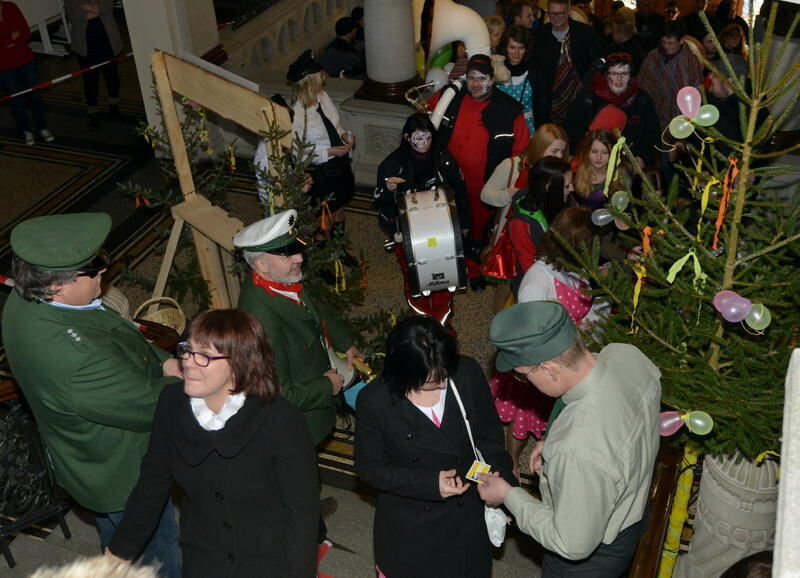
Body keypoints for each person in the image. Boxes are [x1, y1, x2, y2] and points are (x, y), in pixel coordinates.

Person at [1, 213, 180, 577]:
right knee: (155, 553)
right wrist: (188, 375)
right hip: (121, 469)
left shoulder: (28, 299)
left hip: (90, 457)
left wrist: (162, 362)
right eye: (94, 270)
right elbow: (151, 404)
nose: (104, 272)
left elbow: (111, 328)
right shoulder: (76, 359)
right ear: (55, 284)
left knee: (118, 540)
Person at [105, 310, 320, 576]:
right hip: (204, 560)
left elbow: (302, 512)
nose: (189, 363)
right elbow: (152, 484)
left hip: (269, 560)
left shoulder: (280, 418)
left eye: (204, 356)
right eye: (187, 350)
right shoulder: (171, 404)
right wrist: (118, 553)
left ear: (240, 364)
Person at [480, 300, 661, 575]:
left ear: (550, 369)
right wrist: (552, 439)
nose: (526, 383)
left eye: (524, 376)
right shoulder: (625, 355)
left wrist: (508, 495)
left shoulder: (576, 449)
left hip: (592, 559)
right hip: (633, 509)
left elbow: (572, 543)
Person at [355, 316, 515, 577]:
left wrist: (502, 483)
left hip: (467, 519)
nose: (442, 385)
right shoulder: (375, 400)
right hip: (411, 527)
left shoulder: (466, 373)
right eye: (431, 382)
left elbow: (489, 438)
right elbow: (370, 467)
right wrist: (429, 483)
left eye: (444, 376)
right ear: (403, 372)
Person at [234, 209, 360, 540]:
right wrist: (327, 385)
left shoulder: (283, 281)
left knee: (303, 473)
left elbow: (316, 310)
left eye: (297, 248)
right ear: (260, 264)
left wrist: (346, 343)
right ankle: (308, 533)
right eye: (288, 253)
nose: (299, 257)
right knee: (295, 480)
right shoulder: (260, 319)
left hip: (307, 409)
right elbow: (275, 392)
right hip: (294, 421)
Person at [428, 53, 530, 288]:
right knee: (446, 226)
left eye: (481, 78)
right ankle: (447, 267)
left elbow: (522, 150)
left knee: (478, 231)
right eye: (471, 77)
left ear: (492, 80)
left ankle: (473, 271)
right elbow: (426, 121)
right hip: (448, 182)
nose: (475, 83)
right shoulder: (449, 97)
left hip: (484, 187)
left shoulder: (509, 109)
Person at [374, 113, 469, 324]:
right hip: (408, 234)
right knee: (414, 276)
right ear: (408, 137)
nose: (424, 143)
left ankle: (443, 321)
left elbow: (460, 192)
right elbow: (380, 204)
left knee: (445, 273)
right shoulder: (391, 166)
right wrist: (389, 193)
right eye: (418, 138)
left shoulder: (443, 158)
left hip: (443, 229)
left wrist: (464, 224)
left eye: (428, 138)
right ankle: (422, 320)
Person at [288, 49, 354, 239]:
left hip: (341, 165)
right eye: (319, 76)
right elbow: (298, 154)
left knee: (340, 209)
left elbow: (334, 123)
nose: (324, 78)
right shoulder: (297, 114)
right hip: (323, 173)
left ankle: (339, 251)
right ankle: (326, 262)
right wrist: (329, 151)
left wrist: (345, 135)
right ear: (308, 81)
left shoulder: (322, 96)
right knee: (326, 220)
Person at [517, 207, 609, 329]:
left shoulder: (573, 266)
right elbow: (533, 336)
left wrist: (599, 287)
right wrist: (575, 332)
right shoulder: (535, 287)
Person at [567, 54, 658, 166]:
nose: (619, 78)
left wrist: (643, 157)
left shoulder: (641, 99)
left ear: (630, 76)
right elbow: (572, 130)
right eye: (614, 73)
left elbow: (652, 133)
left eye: (624, 73)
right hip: (592, 162)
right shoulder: (589, 98)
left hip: (629, 165)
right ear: (606, 75)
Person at [531, 0, 604, 126]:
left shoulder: (585, 33)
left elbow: (597, 64)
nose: (556, 17)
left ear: (569, 11)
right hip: (548, 104)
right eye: (552, 14)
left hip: (578, 102)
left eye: (561, 13)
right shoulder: (540, 35)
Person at [507, 156, 573, 281]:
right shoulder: (521, 224)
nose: (572, 189)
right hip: (541, 282)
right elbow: (530, 269)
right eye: (567, 186)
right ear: (548, 187)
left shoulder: (564, 200)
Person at [0, 1, 54, 145]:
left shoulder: (11, 7)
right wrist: (12, 37)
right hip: (4, 66)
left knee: (35, 95)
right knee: (15, 99)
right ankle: (26, 130)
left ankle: (42, 127)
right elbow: (15, 35)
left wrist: (11, 40)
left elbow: (25, 32)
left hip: (25, 59)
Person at [64, 0, 123, 127]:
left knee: (112, 76)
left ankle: (114, 105)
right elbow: (73, 15)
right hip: (85, 45)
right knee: (90, 80)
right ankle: (93, 111)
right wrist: (96, 8)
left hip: (108, 42)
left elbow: (108, 7)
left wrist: (86, 7)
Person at [639, 22, 704, 130]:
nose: (666, 46)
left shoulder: (690, 61)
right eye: (664, 42)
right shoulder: (653, 56)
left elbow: (696, 89)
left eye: (671, 43)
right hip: (652, 113)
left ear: (682, 40)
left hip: (678, 115)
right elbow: (643, 83)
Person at [572, 129, 632, 210]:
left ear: (612, 153)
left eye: (604, 152)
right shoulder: (577, 175)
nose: (598, 157)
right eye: (594, 151)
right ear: (587, 152)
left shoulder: (622, 176)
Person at [497, 25, 535, 133]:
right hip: (500, 128)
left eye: (521, 48)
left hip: (527, 130)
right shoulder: (495, 69)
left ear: (526, 49)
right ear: (505, 48)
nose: (516, 53)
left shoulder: (534, 73)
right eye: (512, 47)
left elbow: (542, 109)